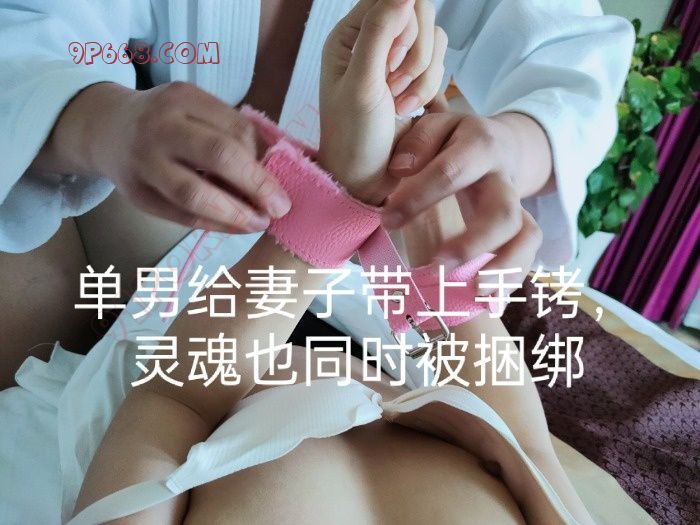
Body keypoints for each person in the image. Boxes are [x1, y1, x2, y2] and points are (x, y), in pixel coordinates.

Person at [71, 2, 593, 523]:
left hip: (214, 341)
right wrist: (436, 248)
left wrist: (336, 206)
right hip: (402, 353)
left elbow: (170, 405)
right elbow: (526, 447)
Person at [0, 1, 633, 386]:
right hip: (162, 198)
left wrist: (512, 144)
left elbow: (572, 59)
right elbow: (27, 31)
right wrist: (100, 121)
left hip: (345, 260)